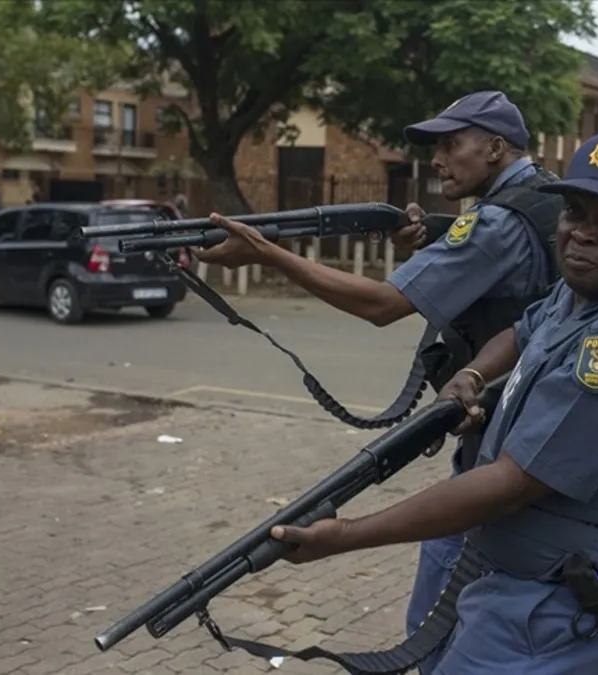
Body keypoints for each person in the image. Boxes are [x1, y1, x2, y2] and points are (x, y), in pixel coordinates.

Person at [269, 127, 598, 674]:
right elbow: (525, 329)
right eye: (575, 214)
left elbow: (510, 484)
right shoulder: (589, 290)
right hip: (526, 587)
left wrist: (346, 535)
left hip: (557, 613)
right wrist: (473, 376)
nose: (583, 234)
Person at [194, 90, 562, 673]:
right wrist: (437, 233)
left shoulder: (495, 222)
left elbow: (383, 305)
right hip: (531, 428)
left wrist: (269, 255)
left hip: (494, 442)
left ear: (495, 147)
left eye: (451, 144)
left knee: (435, 617)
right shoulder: (545, 196)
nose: (437, 160)